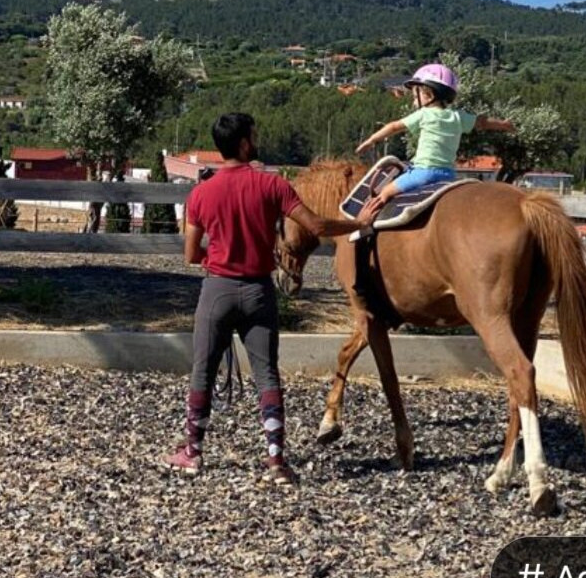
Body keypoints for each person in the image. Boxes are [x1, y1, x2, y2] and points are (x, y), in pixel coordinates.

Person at [165, 112, 378, 486]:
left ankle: (193, 452)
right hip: (259, 291)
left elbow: (190, 254)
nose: (257, 139)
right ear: (245, 143)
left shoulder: (200, 193)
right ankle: (276, 461)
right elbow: (317, 226)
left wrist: (214, 259)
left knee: (203, 370)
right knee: (267, 374)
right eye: (254, 135)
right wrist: (359, 224)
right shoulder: (273, 186)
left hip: (217, 289)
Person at [355, 63, 515, 209]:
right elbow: (483, 122)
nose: (413, 102)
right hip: (448, 174)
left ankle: (365, 225)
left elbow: (394, 126)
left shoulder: (424, 114)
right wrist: (505, 125)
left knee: (384, 193)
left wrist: (371, 140)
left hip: (423, 173)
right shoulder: (458, 116)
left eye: (415, 96)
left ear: (429, 96)